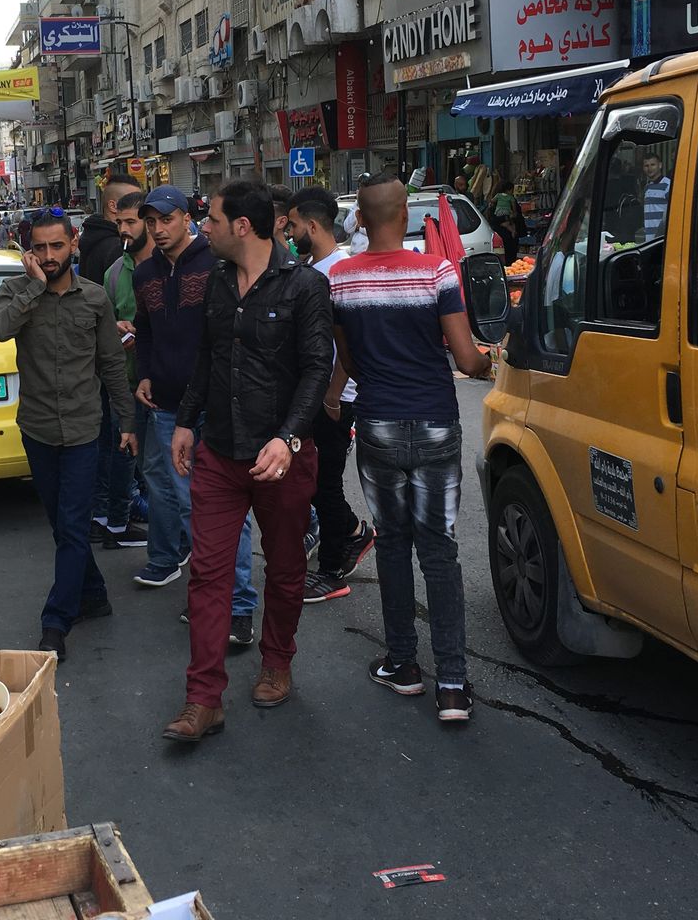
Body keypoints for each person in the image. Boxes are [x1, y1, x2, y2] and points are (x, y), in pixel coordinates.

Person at [162, 179, 332, 742]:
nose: (202, 227)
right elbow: (208, 358)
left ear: (241, 226)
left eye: (210, 218)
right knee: (208, 574)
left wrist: (287, 438)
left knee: (284, 568)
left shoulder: (305, 285)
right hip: (219, 451)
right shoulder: (215, 281)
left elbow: (317, 369)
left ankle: (277, 662)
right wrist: (185, 421)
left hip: (282, 457)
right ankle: (203, 698)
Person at [330, 173, 491, 723]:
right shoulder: (437, 272)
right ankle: (453, 685)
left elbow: (349, 360)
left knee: (393, 545)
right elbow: (467, 360)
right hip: (436, 424)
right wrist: (489, 360)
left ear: (360, 220)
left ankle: (402, 665)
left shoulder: (341, 280)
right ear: (405, 215)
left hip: (376, 423)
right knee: (439, 551)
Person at [0, 208, 137, 663]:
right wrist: (34, 287)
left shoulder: (94, 298)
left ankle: (56, 622)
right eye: (40, 248)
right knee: (61, 525)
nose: (49, 255)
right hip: (37, 429)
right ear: (29, 251)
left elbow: (111, 363)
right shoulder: (15, 291)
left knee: (73, 526)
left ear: (74, 244)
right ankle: (94, 594)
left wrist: (127, 422)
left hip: (83, 429)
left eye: (57, 245)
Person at [130, 186, 260, 635]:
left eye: (166, 219)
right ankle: (212, 597)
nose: (158, 229)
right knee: (190, 506)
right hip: (169, 407)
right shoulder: (144, 273)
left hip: (219, 404)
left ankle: (238, 605)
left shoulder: (216, 265)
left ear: (187, 219)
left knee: (226, 509)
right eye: (151, 222)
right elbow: (145, 330)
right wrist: (145, 373)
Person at [284, 188, 375, 604]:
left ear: (313, 225)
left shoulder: (338, 271)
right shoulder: (310, 268)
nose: (290, 233)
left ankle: (333, 568)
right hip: (315, 394)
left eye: (293, 225)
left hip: (336, 398)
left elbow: (347, 344)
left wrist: (334, 395)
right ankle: (354, 534)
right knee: (316, 483)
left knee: (325, 485)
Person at [93, 190, 150, 551]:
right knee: (122, 451)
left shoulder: (169, 266)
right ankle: (117, 521)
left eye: (131, 222)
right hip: (125, 382)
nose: (124, 230)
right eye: (120, 223)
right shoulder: (114, 274)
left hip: (165, 384)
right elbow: (103, 325)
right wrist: (115, 330)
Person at [78, 174, 140, 286]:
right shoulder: (117, 246)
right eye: (132, 201)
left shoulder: (92, 235)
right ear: (113, 206)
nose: (140, 207)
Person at [642, 154, 672, 240]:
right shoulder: (647, 187)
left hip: (662, 238)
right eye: (646, 166)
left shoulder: (668, 185)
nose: (649, 168)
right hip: (649, 238)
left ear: (660, 165)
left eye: (653, 165)